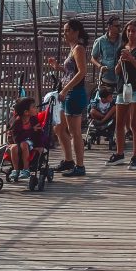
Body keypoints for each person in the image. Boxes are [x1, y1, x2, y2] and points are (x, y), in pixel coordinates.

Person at [48, 18, 89, 176]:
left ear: (75, 32)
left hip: (74, 93)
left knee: (75, 132)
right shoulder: (72, 48)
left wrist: (65, 89)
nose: (63, 33)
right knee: (58, 127)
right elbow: (70, 71)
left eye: (67, 30)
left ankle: (80, 166)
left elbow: (82, 72)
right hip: (68, 93)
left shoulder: (78, 48)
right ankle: (68, 160)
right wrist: (57, 67)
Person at [109, 20, 136, 170]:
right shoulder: (121, 48)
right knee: (119, 123)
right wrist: (121, 61)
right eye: (128, 31)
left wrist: (131, 59)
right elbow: (116, 71)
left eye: (133, 31)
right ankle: (120, 153)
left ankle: (135, 156)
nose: (130, 33)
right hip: (123, 88)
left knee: (134, 123)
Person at [6, 96, 42, 180]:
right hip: (17, 142)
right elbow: (17, 139)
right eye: (33, 107)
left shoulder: (34, 120)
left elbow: (39, 134)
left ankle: (26, 169)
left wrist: (40, 145)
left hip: (30, 142)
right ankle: (16, 170)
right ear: (26, 112)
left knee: (24, 144)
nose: (36, 108)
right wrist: (31, 130)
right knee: (14, 147)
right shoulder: (16, 122)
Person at [91, 16, 123, 96]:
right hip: (106, 78)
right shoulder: (101, 41)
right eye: (117, 26)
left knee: (121, 103)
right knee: (106, 102)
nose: (119, 28)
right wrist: (100, 66)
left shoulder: (123, 40)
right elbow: (93, 58)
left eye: (120, 25)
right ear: (109, 26)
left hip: (121, 77)